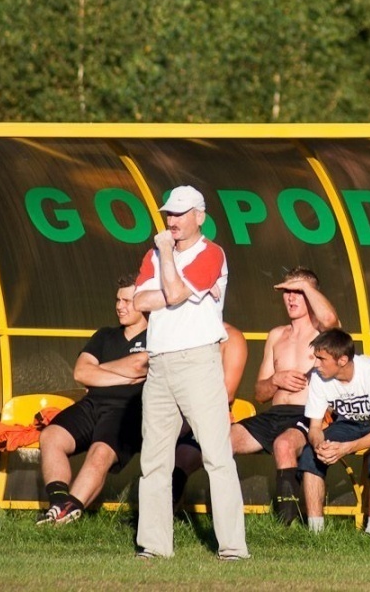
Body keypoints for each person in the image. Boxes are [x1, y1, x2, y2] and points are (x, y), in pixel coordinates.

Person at [133, 184, 249, 561]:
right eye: (169, 213)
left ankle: (232, 547)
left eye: (180, 213)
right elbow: (139, 300)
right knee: (154, 461)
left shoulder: (210, 252)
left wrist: (167, 258)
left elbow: (173, 293)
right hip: (159, 363)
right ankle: (154, 546)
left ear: (200, 216)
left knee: (217, 455)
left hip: (198, 361)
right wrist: (171, 291)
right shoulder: (151, 254)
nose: (172, 220)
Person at [229, 267, 339, 524]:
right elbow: (259, 393)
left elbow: (330, 319)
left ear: (311, 295)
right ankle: (226, 516)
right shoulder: (277, 335)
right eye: (287, 292)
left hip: (308, 414)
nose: (290, 298)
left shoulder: (323, 334)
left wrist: (307, 286)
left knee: (284, 445)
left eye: (297, 292)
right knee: (221, 442)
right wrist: (275, 380)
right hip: (275, 413)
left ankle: (285, 526)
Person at [36, 274, 149, 525]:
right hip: (92, 404)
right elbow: (81, 373)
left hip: (127, 411)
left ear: (145, 303)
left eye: (127, 301)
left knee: (100, 453)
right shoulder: (104, 335)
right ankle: (58, 504)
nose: (119, 306)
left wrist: (99, 371)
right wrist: (123, 375)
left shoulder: (158, 337)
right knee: (51, 436)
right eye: (118, 300)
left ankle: (65, 516)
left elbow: (140, 365)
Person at [298, 328, 370, 539]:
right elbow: (315, 428)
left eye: (321, 359)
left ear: (342, 360)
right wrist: (319, 446)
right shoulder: (318, 377)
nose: (315, 364)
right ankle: (316, 534)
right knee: (309, 453)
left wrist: (345, 448)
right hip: (351, 423)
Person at [172, 322, 248, 509]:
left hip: (209, 416)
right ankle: (158, 517)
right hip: (175, 413)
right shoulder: (177, 332)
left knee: (182, 460)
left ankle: (167, 513)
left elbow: (227, 393)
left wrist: (187, 420)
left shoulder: (232, 338)